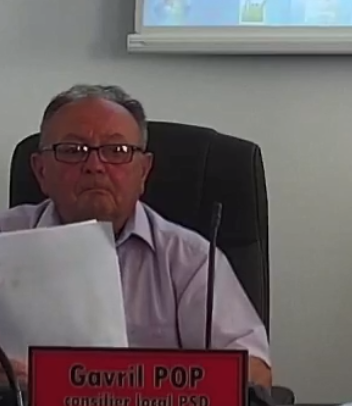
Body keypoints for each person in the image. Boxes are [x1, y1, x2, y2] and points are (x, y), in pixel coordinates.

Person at [2, 85, 272, 388]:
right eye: (72, 150)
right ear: (40, 171)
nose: (94, 166)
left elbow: (255, 373)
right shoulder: (4, 241)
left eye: (117, 151)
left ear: (143, 171)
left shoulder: (190, 260)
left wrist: (134, 382)